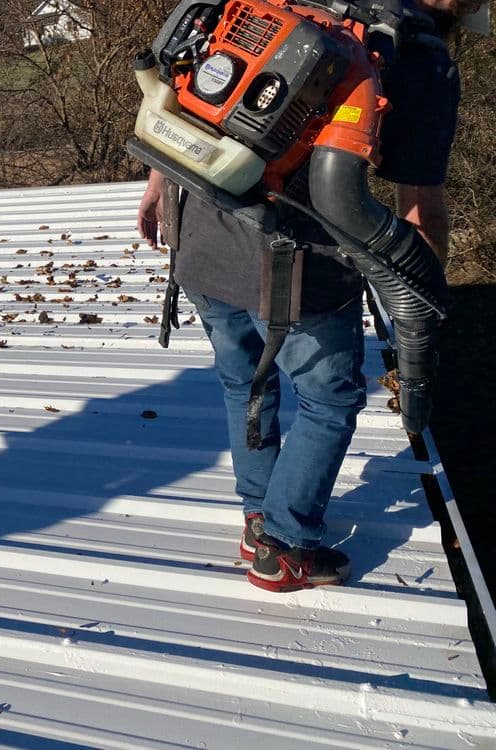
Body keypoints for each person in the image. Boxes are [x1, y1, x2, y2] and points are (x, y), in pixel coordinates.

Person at [137, 0, 478, 592]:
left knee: (244, 380)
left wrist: (155, 188)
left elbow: (188, 85)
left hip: (194, 222)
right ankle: (285, 542)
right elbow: (419, 210)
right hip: (294, 258)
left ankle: (258, 513)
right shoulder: (420, 57)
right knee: (330, 396)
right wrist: (419, 304)